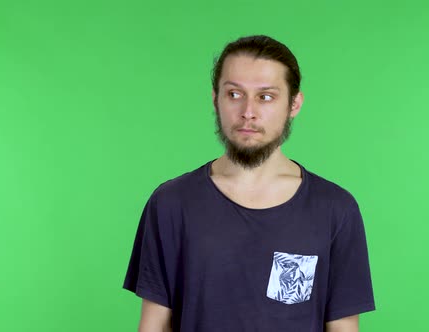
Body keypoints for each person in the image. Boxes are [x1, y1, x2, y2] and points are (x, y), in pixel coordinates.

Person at [123, 35, 376, 332]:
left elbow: (344, 327)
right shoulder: (171, 203)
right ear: (215, 98)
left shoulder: (335, 209)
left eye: (265, 96)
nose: (248, 112)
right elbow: (153, 325)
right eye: (234, 94)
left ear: (294, 104)